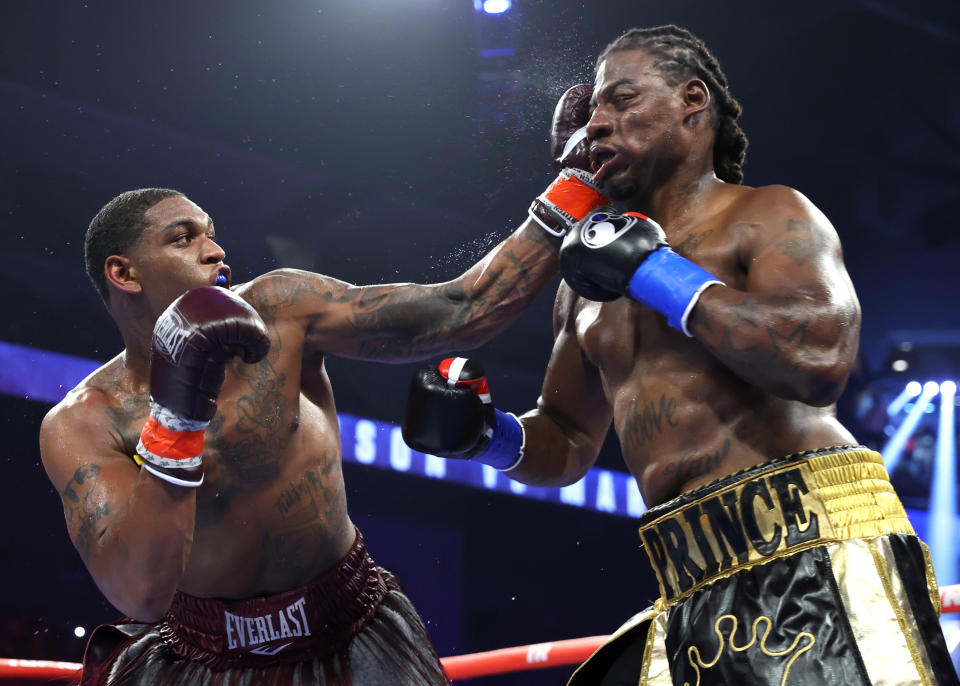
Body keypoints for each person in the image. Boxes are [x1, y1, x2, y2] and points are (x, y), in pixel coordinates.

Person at [402, 24, 960, 685]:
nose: (597, 123)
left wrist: (659, 274)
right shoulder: (582, 288)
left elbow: (819, 360)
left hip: (811, 534)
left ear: (693, 101)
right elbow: (568, 439)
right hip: (687, 573)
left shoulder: (767, 215)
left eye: (622, 99)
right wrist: (484, 434)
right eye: (592, 112)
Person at [38, 133, 609, 686]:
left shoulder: (282, 308)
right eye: (182, 238)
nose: (215, 250)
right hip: (199, 660)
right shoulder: (85, 420)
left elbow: (462, 308)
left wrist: (577, 187)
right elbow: (139, 593)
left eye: (211, 234)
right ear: (124, 273)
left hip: (352, 627)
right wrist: (177, 415)